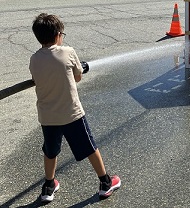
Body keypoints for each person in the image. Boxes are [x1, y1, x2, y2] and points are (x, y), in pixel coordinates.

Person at [29, 13, 121, 203]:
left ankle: (48, 185)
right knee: (89, 147)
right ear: (57, 35)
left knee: (50, 151)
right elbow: (77, 76)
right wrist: (80, 68)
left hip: (48, 117)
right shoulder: (68, 52)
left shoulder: (34, 59)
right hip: (72, 114)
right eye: (62, 33)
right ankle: (105, 182)